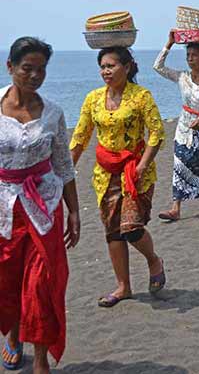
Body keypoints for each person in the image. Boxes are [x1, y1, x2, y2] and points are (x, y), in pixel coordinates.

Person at [0, 37, 80, 374]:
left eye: (41, 70)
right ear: (10, 67)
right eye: (27, 68)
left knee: (41, 283)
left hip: (43, 207)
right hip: (3, 206)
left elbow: (63, 165)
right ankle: (14, 335)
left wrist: (74, 211)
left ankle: (42, 361)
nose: (34, 76)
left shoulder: (53, 113)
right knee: (7, 278)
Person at [70, 46, 166, 307]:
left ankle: (153, 260)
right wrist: (65, 171)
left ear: (127, 67)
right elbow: (80, 137)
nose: (106, 71)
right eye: (102, 66)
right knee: (113, 231)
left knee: (132, 229)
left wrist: (143, 165)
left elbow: (157, 133)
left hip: (135, 172)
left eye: (111, 65)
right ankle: (123, 287)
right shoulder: (93, 99)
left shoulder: (141, 96)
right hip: (105, 174)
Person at [153, 31, 199, 221]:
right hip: (184, 129)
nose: (190, 59)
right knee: (179, 165)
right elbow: (157, 66)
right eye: (188, 56)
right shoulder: (181, 77)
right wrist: (169, 44)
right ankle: (175, 208)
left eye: (194, 55)